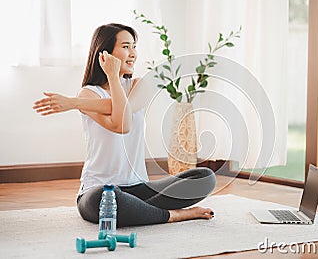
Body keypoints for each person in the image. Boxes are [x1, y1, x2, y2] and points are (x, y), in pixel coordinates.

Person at [33, 23, 216, 226]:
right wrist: (109, 77)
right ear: (105, 54)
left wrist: (73, 103)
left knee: (205, 177)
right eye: (126, 46)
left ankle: (139, 210)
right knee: (104, 199)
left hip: (138, 188)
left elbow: (124, 114)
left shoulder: (141, 84)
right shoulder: (89, 93)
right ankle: (174, 214)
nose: (133, 54)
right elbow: (121, 124)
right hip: (99, 189)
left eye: (134, 46)